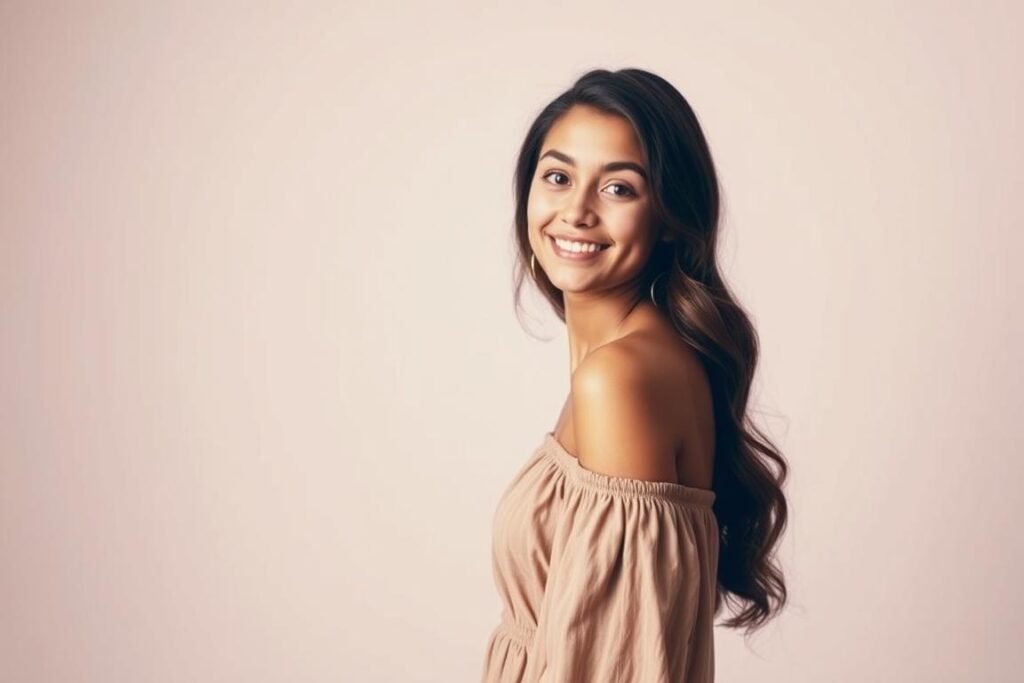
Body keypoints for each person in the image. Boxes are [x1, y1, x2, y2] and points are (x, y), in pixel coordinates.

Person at [481, 68, 789, 682]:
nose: (576, 211)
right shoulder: (646, 358)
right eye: (559, 177)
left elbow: (613, 665)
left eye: (619, 189)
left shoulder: (619, 379)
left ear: (670, 216)